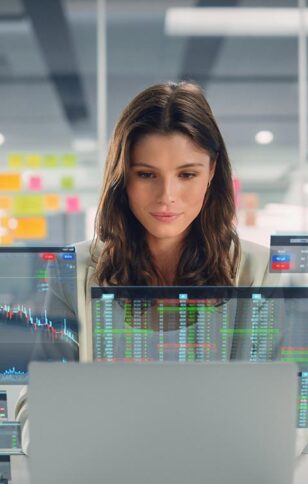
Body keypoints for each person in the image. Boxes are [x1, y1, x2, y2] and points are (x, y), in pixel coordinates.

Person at [46, 81, 275, 362]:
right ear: (123, 176)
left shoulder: (260, 271)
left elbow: (276, 397)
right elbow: (40, 397)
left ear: (212, 170)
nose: (167, 196)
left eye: (187, 175)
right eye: (146, 174)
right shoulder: (70, 270)